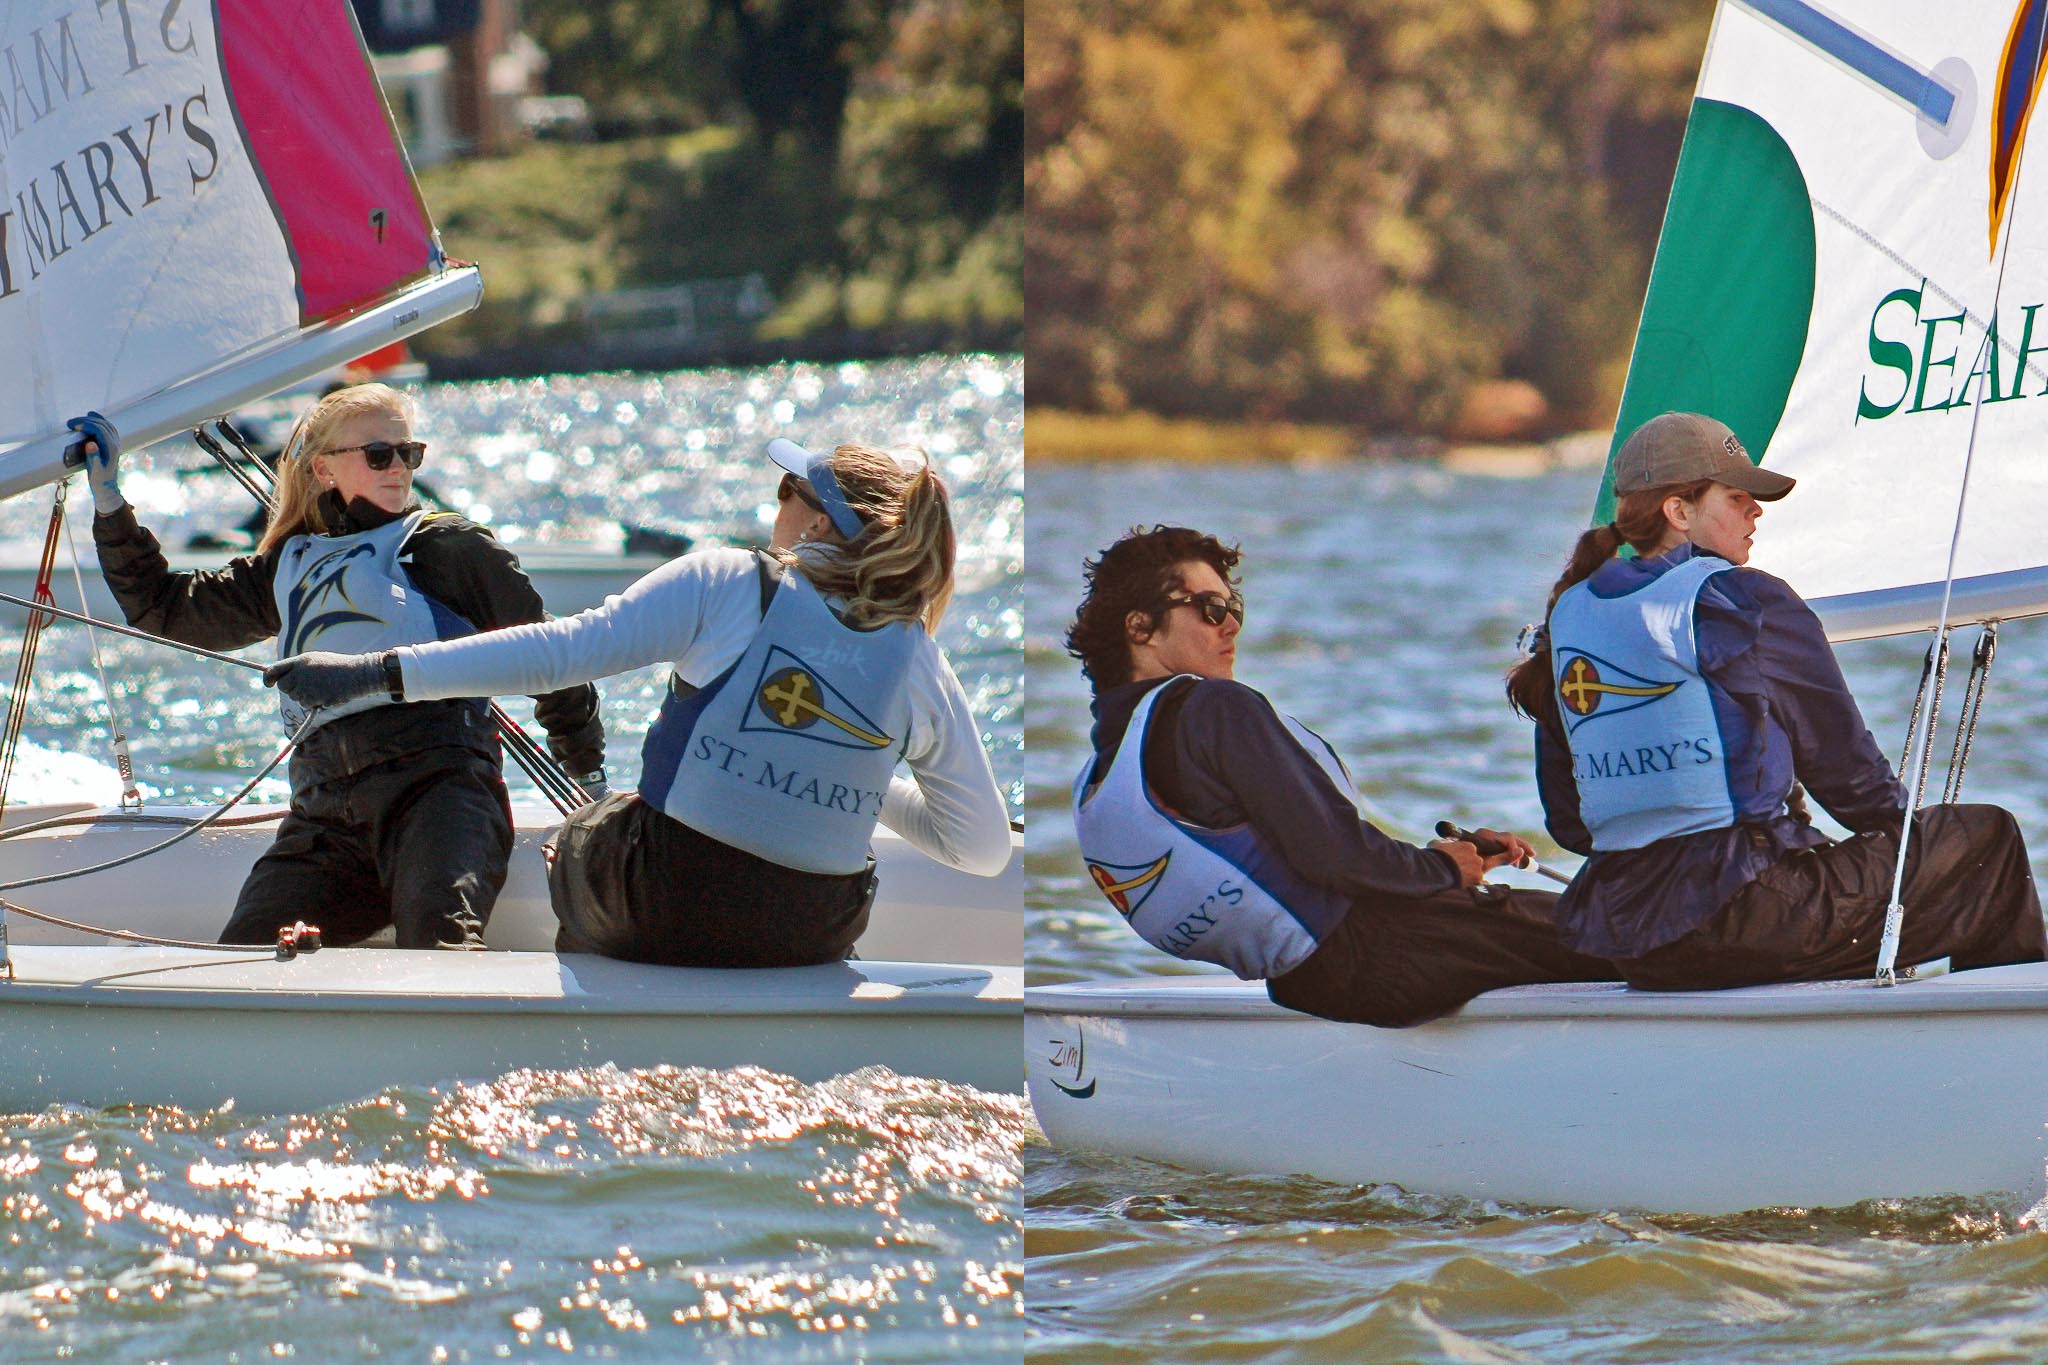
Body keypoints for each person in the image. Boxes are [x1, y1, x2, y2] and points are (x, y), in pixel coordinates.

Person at [265, 438, 1011, 967]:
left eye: (789, 490)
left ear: (819, 523)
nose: (774, 504)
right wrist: (852, 774)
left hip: (662, 901)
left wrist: (375, 671)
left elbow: (559, 649)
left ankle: (599, 1009)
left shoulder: (727, 581)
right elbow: (980, 848)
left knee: (589, 827)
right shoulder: (919, 658)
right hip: (813, 931)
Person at [1507, 410, 2046, 988]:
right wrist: (1921, 860)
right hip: (1746, 921)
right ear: (1679, 511)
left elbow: (1572, 825)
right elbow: (1853, 782)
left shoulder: (1571, 616)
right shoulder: (1741, 601)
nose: (1755, 511)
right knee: (1987, 842)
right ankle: (2004, 1050)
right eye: (1737, 497)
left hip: (1628, 939)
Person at [70, 385, 606, 949]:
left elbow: (552, 655)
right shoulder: (289, 563)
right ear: (324, 469)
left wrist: (586, 771)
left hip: (439, 797)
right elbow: (166, 609)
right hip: (323, 817)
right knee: (244, 955)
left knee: (439, 948)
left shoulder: (451, 549)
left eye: (409, 453)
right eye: (380, 454)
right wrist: (108, 501)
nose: (399, 468)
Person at [1066, 525, 1615, 1027]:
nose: (1231, 622)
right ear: (1140, 627)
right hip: (1389, 951)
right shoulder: (1213, 709)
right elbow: (1335, 856)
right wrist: (1438, 870)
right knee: (1636, 930)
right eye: (1209, 608)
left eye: (1233, 605)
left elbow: (1294, 864)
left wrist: (1446, 863)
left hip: (1309, 984)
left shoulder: (1105, 767)